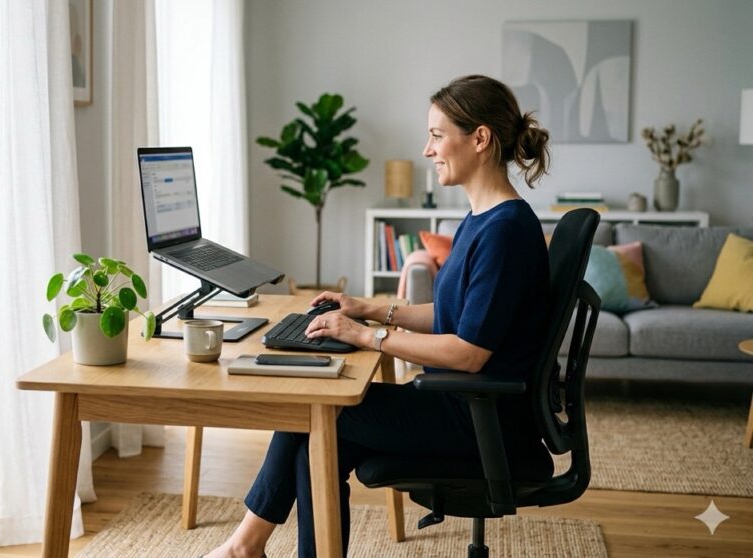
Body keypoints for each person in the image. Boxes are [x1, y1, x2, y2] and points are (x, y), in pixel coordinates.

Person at [203, 74, 553, 558]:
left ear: (480, 138)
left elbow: (469, 352)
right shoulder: (483, 220)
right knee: (316, 435)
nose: (427, 149)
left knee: (317, 414)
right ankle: (248, 546)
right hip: (462, 404)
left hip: (479, 419)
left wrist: (367, 336)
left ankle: (243, 547)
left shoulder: (506, 231)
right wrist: (367, 308)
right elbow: (454, 315)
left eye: (436, 134)